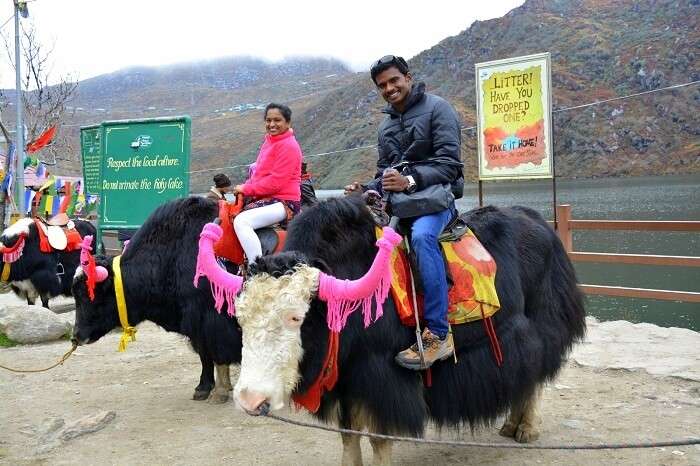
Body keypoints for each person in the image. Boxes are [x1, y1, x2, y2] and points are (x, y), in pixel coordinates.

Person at [345, 55, 464, 370]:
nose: (389, 88)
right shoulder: (385, 125)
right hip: (401, 206)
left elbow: (451, 165)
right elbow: (386, 172)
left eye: (394, 80)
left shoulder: (439, 109)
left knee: (424, 238)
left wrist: (410, 180)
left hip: (436, 200)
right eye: (382, 85)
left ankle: (439, 333)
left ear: (408, 77)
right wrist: (368, 188)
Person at [232, 103, 302, 264]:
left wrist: (246, 188)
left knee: (242, 222)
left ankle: (256, 268)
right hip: (270, 198)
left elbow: (275, 182)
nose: (271, 124)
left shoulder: (289, 146)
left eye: (277, 120)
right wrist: (245, 187)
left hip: (284, 202)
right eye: (268, 120)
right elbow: (259, 174)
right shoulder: (270, 142)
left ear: (288, 122)